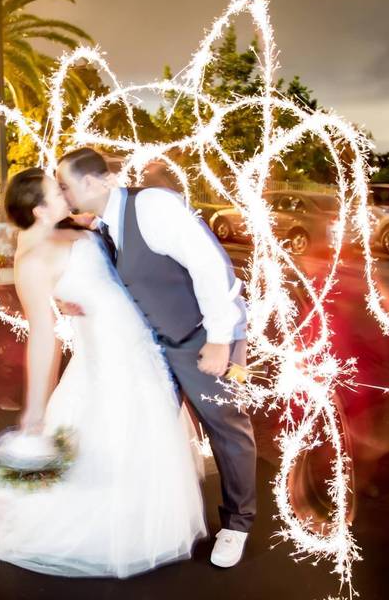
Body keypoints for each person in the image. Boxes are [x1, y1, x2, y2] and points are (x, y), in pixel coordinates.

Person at [0, 167, 207, 577]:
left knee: (149, 428)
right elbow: (43, 338)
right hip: (107, 359)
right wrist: (36, 409)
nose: (67, 195)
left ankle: (145, 511)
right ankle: (114, 528)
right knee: (113, 433)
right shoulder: (32, 260)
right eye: (57, 192)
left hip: (142, 346)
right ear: (37, 209)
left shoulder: (74, 227)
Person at [55, 147, 255, 568]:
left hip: (203, 336)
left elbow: (207, 264)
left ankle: (237, 525)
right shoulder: (103, 225)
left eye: (65, 184)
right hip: (156, 344)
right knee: (155, 427)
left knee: (226, 427)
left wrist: (219, 338)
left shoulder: (152, 206)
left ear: (91, 182)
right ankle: (156, 515)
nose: (62, 193)